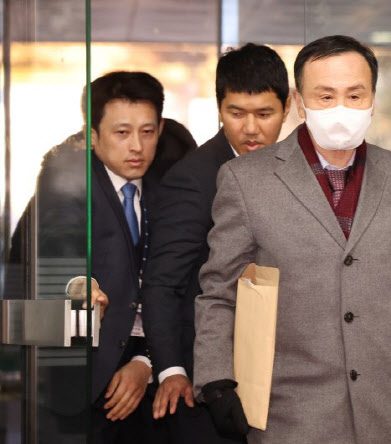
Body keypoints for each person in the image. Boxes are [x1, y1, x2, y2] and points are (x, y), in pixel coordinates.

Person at [194, 35, 391, 444]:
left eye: (354, 95)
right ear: (300, 102)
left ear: (372, 99)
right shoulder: (247, 180)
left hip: (381, 410)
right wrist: (216, 379)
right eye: (325, 96)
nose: (341, 109)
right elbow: (219, 291)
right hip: (288, 411)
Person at [141, 43, 290, 443]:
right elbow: (162, 282)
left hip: (280, 379)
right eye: (236, 113)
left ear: (288, 107)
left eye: (264, 114)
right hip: (207, 382)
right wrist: (172, 369)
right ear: (219, 108)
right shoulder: (194, 178)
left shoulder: (293, 170)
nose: (251, 128)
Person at [85, 70, 166, 444]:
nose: (137, 146)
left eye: (147, 132)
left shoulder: (168, 193)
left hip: (152, 389)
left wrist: (145, 362)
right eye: (122, 132)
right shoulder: (68, 192)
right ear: (92, 135)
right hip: (84, 384)